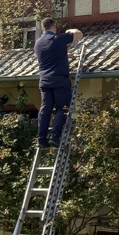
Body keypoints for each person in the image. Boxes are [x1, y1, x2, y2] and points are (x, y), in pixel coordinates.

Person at [34, 18, 83, 148]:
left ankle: (41, 139)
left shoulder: (38, 43)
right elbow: (79, 34)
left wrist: (64, 55)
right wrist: (70, 30)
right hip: (59, 79)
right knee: (62, 107)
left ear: (43, 28)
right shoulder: (58, 38)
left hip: (44, 81)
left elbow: (50, 55)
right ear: (54, 27)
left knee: (45, 109)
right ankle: (55, 137)